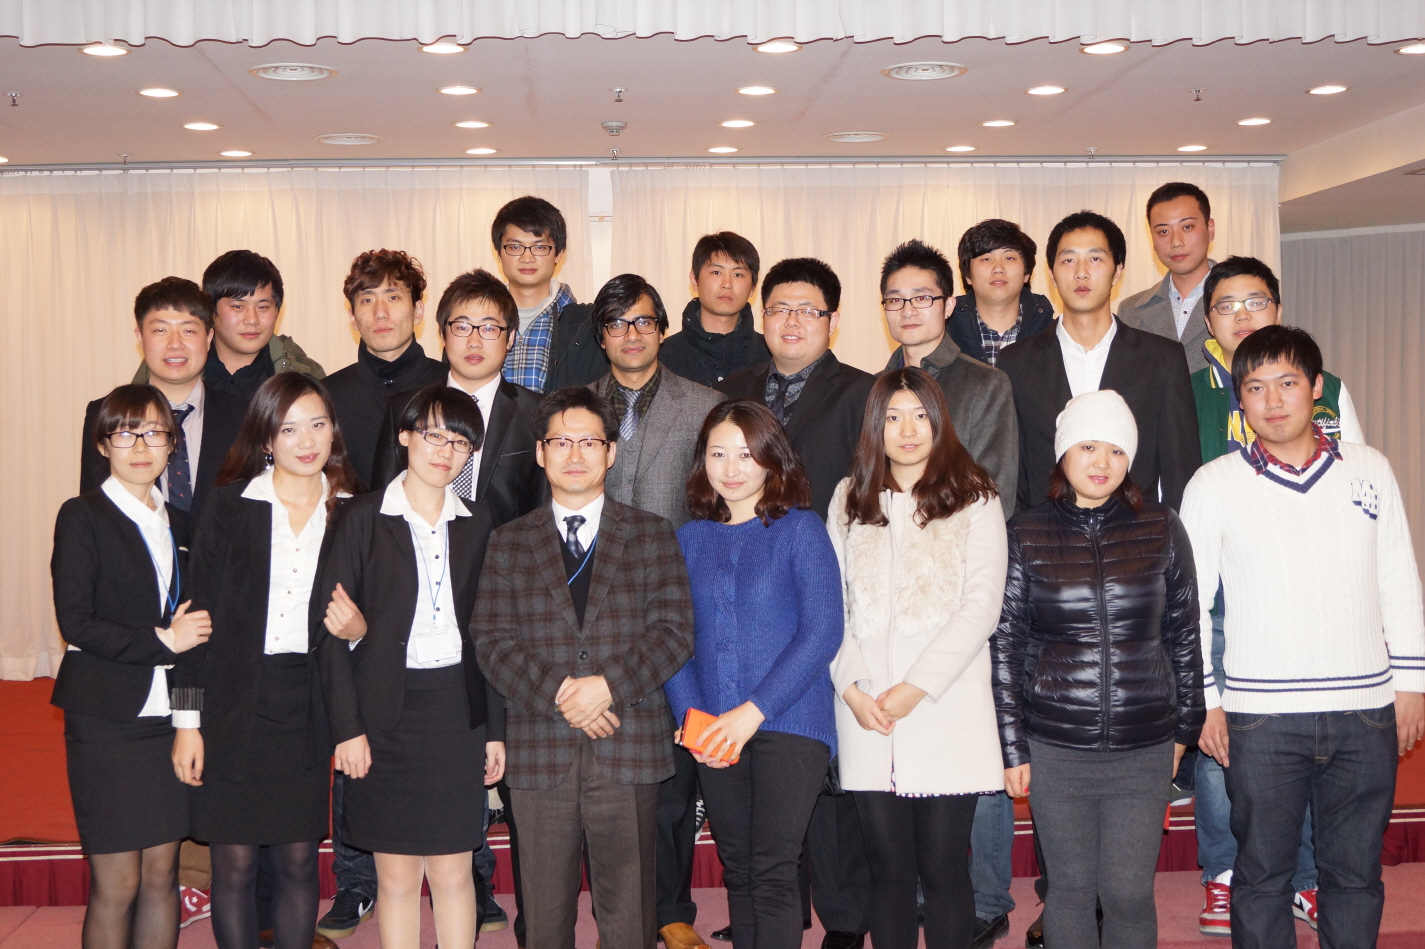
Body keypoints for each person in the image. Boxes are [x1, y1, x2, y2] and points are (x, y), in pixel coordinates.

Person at [1182, 325, 1425, 949]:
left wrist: (1412, 685)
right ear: (1239, 399)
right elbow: (1188, 604)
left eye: (1288, 382)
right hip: (1261, 717)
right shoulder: (1212, 484)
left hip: (1364, 711)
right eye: (1255, 387)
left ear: (1317, 388)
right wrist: (1205, 700)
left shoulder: (1370, 470)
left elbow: (1399, 578)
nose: (1272, 400)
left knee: (1355, 876)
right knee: (1262, 877)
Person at [472, 386, 695, 949]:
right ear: (540, 453)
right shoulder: (508, 541)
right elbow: (492, 641)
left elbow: (673, 634)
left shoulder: (652, 534)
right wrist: (563, 694)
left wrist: (607, 688)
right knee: (544, 919)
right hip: (539, 746)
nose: (575, 454)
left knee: (630, 917)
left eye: (589, 442)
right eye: (560, 442)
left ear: (611, 452)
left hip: (628, 741)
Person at [1188, 256, 1367, 935]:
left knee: (1311, 739)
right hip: (1221, 594)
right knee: (1222, 739)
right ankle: (1223, 871)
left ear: (1278, 307)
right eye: (1226, 305)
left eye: (1254, 301)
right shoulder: (1189, 388)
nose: (1241, 315)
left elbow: (1356, 487)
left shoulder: (1327, 388)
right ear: (1207, 321)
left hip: (1308, 598)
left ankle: (1307, 879)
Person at [993, 389, 1204, 949]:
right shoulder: (1025, 532)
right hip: (1056, 747)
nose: (1102, 462)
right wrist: (1013, 747)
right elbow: (1007, 646)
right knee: (1069, 890)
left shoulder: (1161, 526)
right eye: (1088, 446)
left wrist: (1184, 732)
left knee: (1129, 893)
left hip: (1144, 745)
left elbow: (1184, 634)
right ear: (1063, 452)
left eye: (1116, 449)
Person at [717, 258, 875, 949]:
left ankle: (842, 917)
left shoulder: (863, 392)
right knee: (767, 795)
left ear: (832, 322)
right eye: (779, 308)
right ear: (761, 316)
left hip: (829, 582)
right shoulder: (734, 388)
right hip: (750, 594)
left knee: (825, 768)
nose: (791, 321)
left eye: (808, 310)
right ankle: (772, 910)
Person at [171, 373, 358, 949]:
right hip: (232, 707)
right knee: (234, 865)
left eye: (318, 424)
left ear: (333, 431)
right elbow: (195, 623)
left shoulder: (354, 512)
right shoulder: (230, 506)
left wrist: (360, 630)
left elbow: (376, 614)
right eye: (289, 428)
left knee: (299, 861)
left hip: (307, 702)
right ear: (266, 438)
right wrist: (187, 722)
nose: (307, 440)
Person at [317, 385, 504, 949]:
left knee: (453, 870)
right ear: (404, 436)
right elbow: (330, 635)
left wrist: (496, 731)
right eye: (433, 435)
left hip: (457, 714)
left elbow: (491, 637)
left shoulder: (480, 522)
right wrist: (347, 729)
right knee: (396, 876)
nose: (445, 451)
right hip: (383, 715)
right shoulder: (362, 517)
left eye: (459, 441)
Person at [829, 368, 1008, 949]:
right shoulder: (848, 498)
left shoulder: (975, 496)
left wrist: (915, 687)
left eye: (920, 416)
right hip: (867, 711)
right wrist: (852, 688)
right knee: (888, 869)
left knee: (943, 867)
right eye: (892, 417)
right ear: (874, 426)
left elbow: (982, 606)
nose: (907, 431)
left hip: (945, 706)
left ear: (939, 422)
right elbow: (833, 608)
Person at [667, 399, 841, 949]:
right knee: (737, 867)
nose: (731, 468)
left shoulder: (801, 530)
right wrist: (695, 722)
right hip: (714, 728)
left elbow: (822, 632)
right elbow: (674, 641)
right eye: (718, 453)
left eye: (746, 454)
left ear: (772, 458)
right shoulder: (689, 539)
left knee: (772, 868)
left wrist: (752, 712)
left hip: (791, 722)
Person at [53, 383, 211, 949]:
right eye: (125, 433)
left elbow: (195, 642)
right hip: (106, 719)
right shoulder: (82, 516)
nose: (141, 446)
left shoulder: (182, 525)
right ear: (102, 445)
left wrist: (188, 723)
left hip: (167, 723)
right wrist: (163, 640)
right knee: (117, 883)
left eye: (154, 433)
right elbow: (77, 623)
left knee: (161, 875)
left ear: (172, 445)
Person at [996, 210, 1200, 514]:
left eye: (1095, 259)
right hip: (1045, 535)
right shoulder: (1015, 362)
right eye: (1068, 260)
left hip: (1135, 534)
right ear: (1051, 274)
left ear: (1117, 271)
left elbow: (1180, 472)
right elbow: (1011, 472)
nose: (1081, 273)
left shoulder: (1162, 359)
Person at [373, 268, 547, 522]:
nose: (474, 341)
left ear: (510, 338)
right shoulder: (405, 407)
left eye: (489, 328)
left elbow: (543, 510)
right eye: (462, 327)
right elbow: (383, 501)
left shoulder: (537, 413)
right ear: (442, 334)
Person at [81, 278, 248, 518]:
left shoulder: (244, 416)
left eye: (188, 331)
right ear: (140, 337)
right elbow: (93, 514)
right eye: (160, 330)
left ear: (209, 337)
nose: (175, 344)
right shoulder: (104, 414)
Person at [879, 239, 1018, 518]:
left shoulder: (986, 384)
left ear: (948, 306)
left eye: (922, 298)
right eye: (895, 300)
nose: (908, 310)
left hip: (959, 540)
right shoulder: (872, 387)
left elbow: (995, 495)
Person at [591, 273, 725, 528]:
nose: (632, 335)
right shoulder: (576, 411)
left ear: (662, 332)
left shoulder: (707, 407)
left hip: (678, 552)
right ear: (602, 339)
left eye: (644, 322)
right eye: (617, 324)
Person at [323, 249, 446, 491]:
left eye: (393, 297)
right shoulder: (327, 396)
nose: (380, 313)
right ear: (353, 317)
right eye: (367, 300)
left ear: (418, 311)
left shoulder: (450, 385)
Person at [133, 250, 325, 400]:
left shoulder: (303, 373)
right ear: (211, 310)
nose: (252, 319)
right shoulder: (170, 365)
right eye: (238, 306)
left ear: (277, 311)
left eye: (263, 307)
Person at [492, 195, 602, 392]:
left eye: (540, 247)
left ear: (558, 253)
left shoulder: (587, 325)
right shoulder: (473, 322)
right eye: (515, 247)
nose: (527, 257)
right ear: (499, 253)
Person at [1118, 182, 1217, 374]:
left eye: (1187, 227)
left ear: (1210, 228)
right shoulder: (1131, 311)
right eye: (1163, 232)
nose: (1176, 242)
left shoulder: (1242, 300)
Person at [660, 232, 771, 386]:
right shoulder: (662, 357)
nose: (727, 284)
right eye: (716, 272)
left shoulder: (771, 355)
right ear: (695, 280)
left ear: (753, 287)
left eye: (738, 274)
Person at [946, 219, 1054, 367]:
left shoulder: (1052, 334)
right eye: (986, 259)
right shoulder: (943, 334)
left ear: (1026, 274)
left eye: (1009, 258)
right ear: (968, 276)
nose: (998, 269)